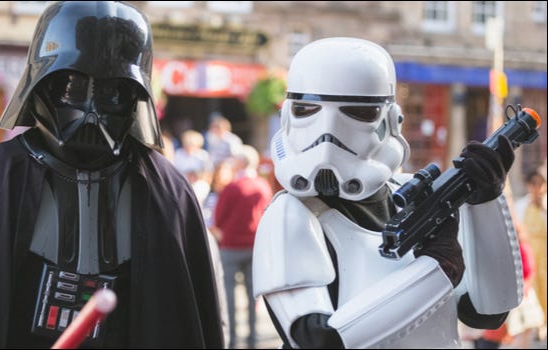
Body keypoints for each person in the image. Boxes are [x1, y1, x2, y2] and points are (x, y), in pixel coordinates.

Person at [0, 2, 223, 348]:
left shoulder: (166, 191)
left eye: (113, 92)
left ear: (135, 97)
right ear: (42, 84)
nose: (91, 110)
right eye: (72, 87)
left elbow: (184, 320)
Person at [253, 37, 523, 348]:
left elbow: (487, 313)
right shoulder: (292, 214)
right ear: (288, 115)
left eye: (357, 113)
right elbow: (317, 339)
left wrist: (486, 202)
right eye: (307, 110)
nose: (327, 134)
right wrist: (436, 269)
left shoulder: (412, 195)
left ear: (390, 120)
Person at [214, 144, 274, 348]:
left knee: (228, 295)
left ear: (241, 162)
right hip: (254, 246)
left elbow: (219, 217)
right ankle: (253, 338)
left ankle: (230, 339)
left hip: (231, 246)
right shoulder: (263, 186)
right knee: (252, 294)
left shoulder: (233, 187)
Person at [515, 169, 547, 339]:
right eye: (534, 184)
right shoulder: (521, 206)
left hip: (545, 253)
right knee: (532, 291)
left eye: (540, 184)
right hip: (529, 255)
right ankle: (536, 325)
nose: (537, 188)